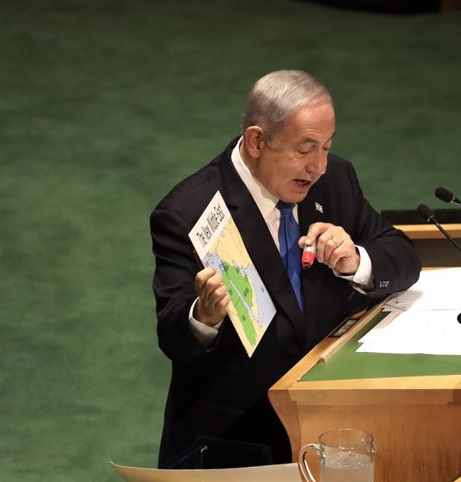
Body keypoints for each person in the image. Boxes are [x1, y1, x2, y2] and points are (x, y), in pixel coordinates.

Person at [150, 69, 421, 468]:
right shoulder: (188, 212)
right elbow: (174, 336)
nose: (319, 167)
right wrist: (204, 316)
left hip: (328, 426)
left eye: (326, 147)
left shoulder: (336, 181)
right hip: (239, 445)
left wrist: (355, 261)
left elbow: (403, 258)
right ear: (257, 141)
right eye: (305, 148)